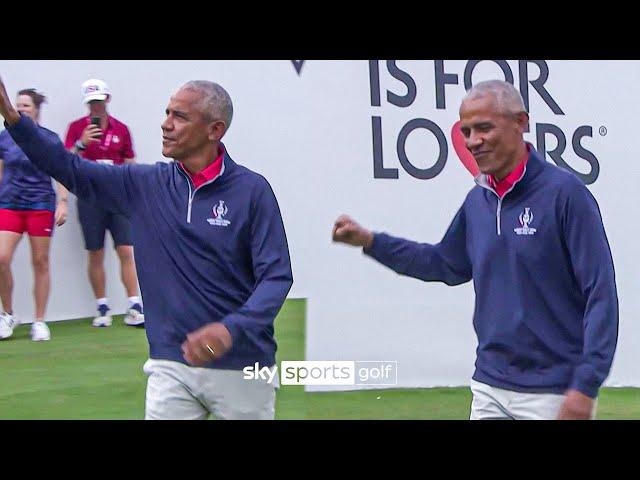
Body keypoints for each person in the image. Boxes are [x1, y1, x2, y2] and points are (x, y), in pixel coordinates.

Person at [0, 75, 293, 420]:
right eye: (167, 112)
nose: (165, 124)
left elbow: (276, 278)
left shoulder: (252, 191)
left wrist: (231, 328)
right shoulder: (145, 184)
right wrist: (13, 118)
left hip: (244, 366)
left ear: (215, 130)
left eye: (179, 116)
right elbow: (71, 169)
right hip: (169, 363)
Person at [332, 80, 618, 420]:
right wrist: (371, 242)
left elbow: (601, 296)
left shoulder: (566, 195)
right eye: (466, 131)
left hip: (553, 393)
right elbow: (442, 264)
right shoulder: (477, 202)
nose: (473, 141)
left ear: (521, 123)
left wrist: (586, 385)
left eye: (484, 128)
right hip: (489, 387)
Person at [64, 79, 143, 327]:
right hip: (89, 197)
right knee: (95, 252)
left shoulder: (121, 128)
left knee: (126, 250)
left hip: (117, 197)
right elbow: (65, 161)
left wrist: (137, 193)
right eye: (91, 103)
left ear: (107, 99)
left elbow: (130, 162)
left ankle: (134, 305)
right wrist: (82, 143)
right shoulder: (77, 128)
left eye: (99, 101)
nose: (95, 107)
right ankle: (102, 307)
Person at [0, 88, 69, 341]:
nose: (21, 109)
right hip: (10, 204)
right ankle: (7, 315)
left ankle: (39, 321)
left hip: (40, 204)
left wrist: (63, 202)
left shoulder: (48, 138)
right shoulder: (4, 138)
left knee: (40, 262)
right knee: (1, 258)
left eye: (26, 105)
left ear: (36, 109)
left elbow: (61, 171)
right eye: (17, 105)